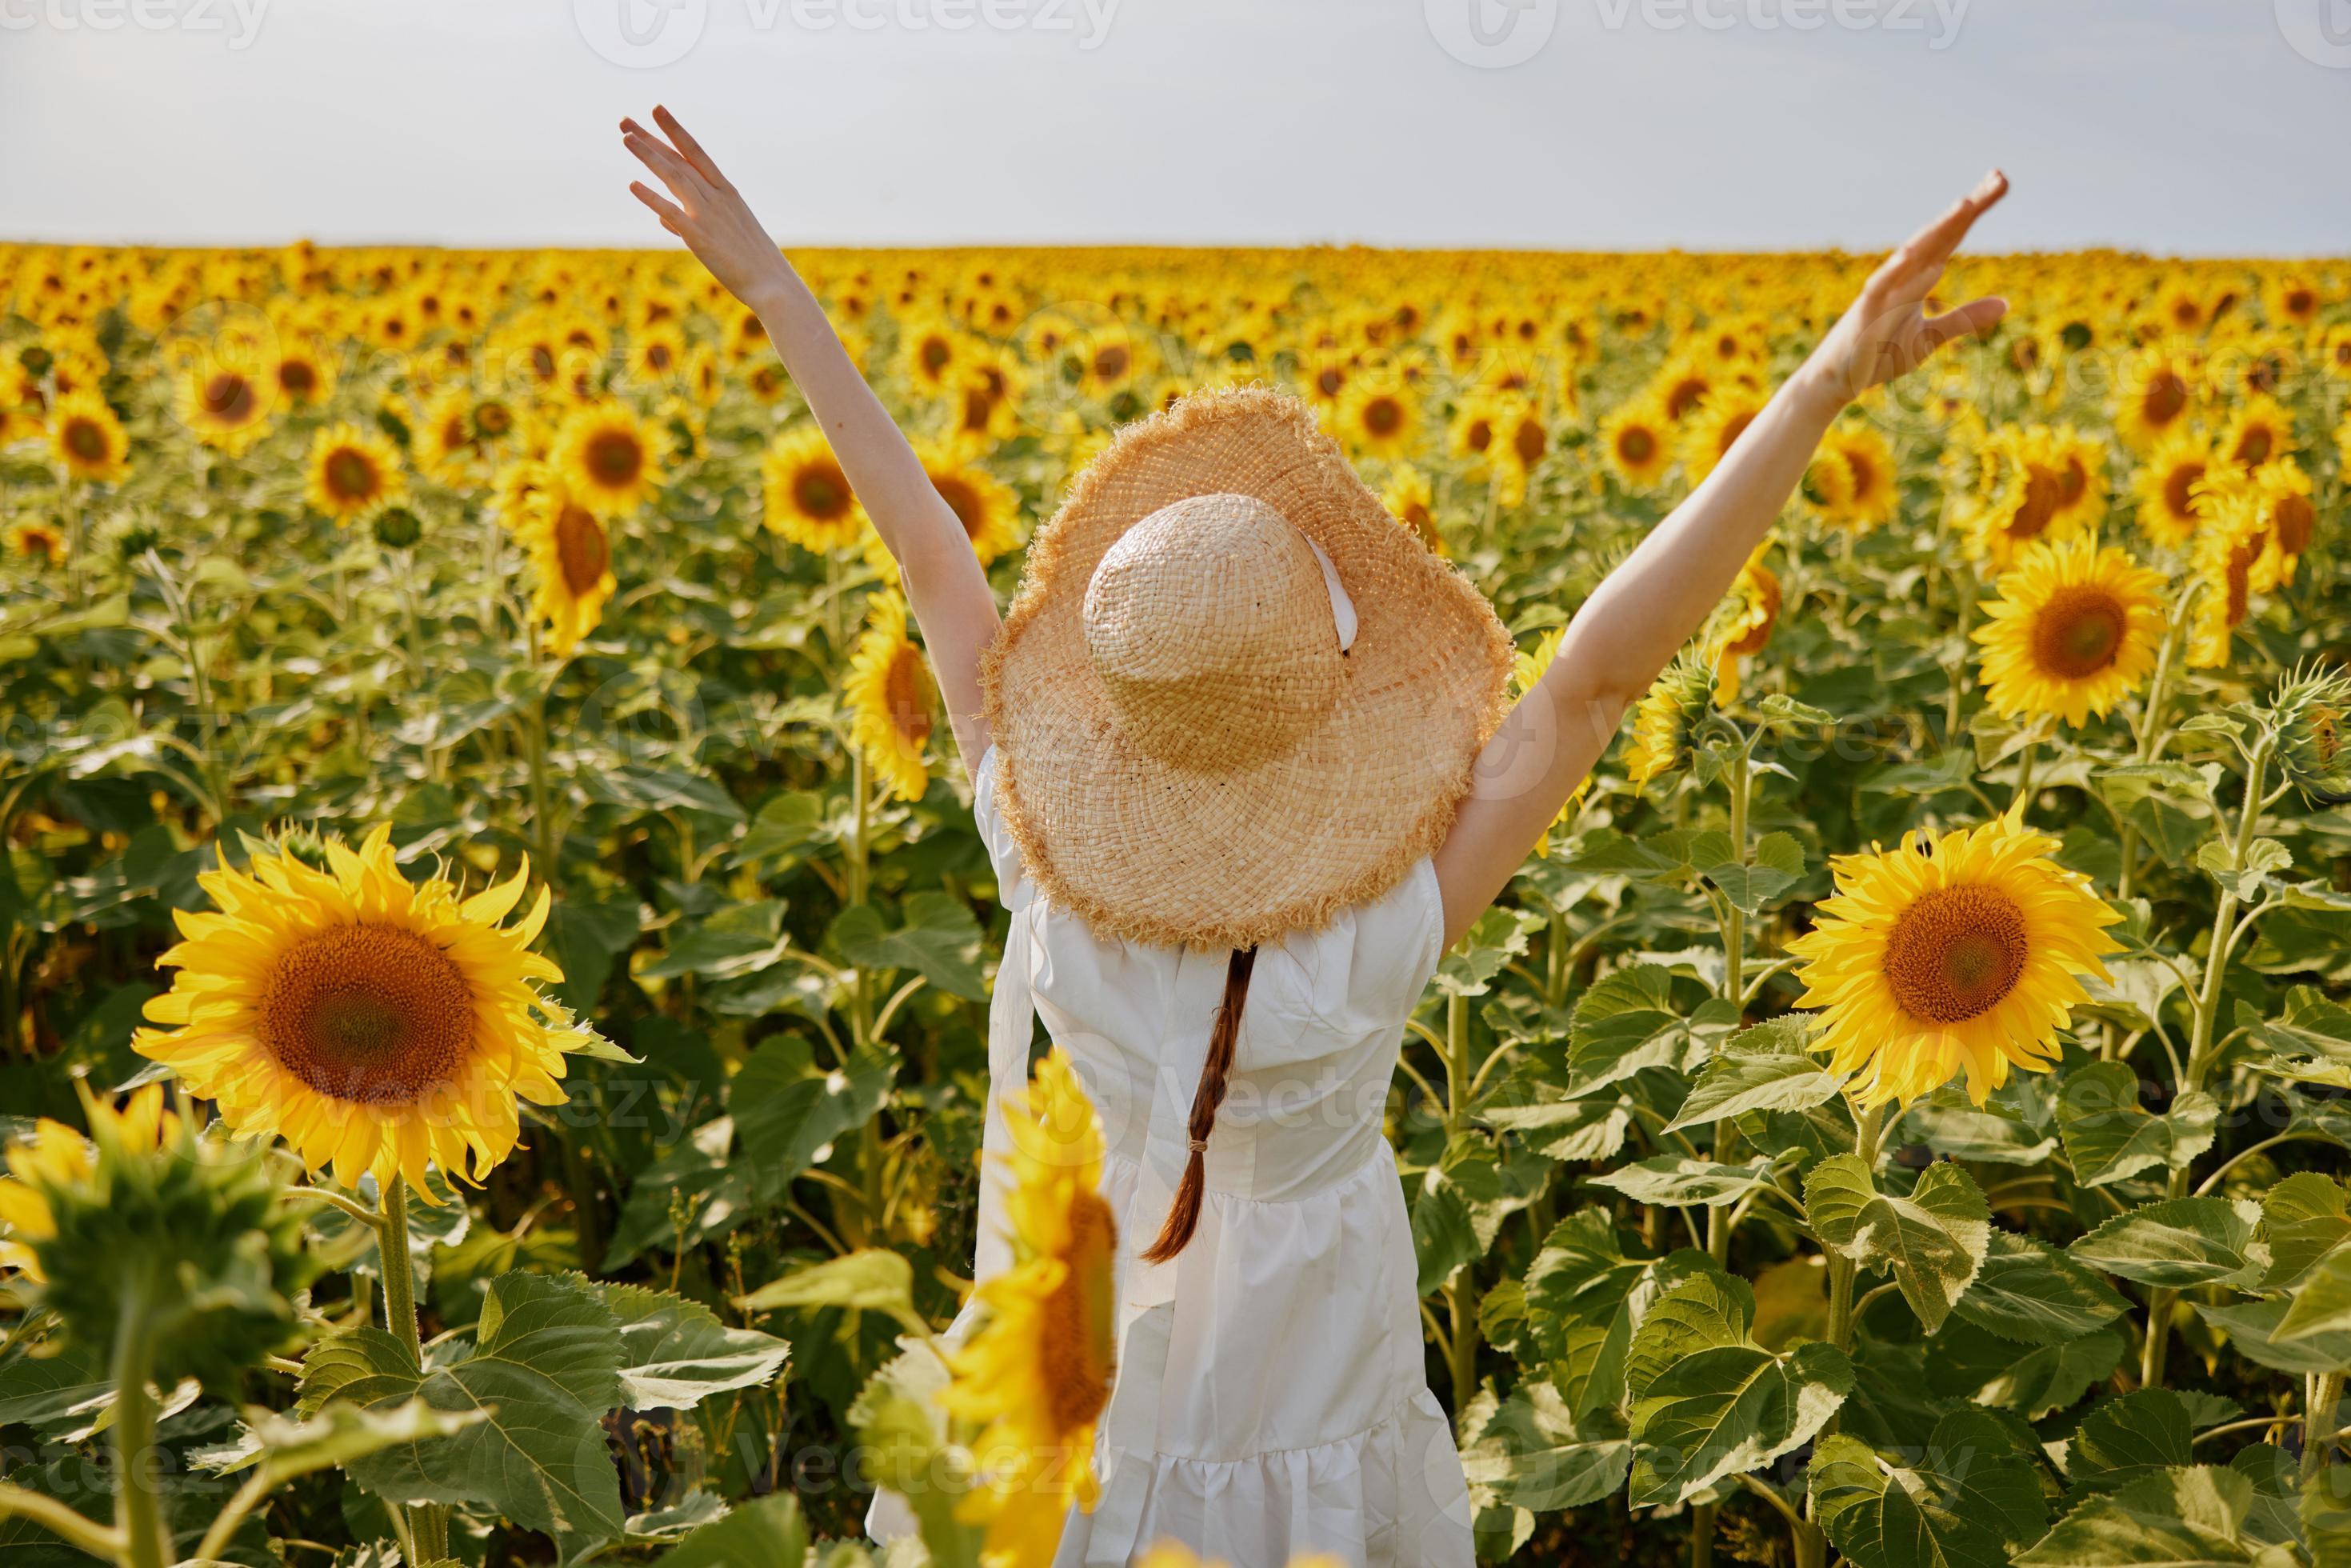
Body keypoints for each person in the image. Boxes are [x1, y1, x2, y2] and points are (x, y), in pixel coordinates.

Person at [620, 106, 2008, 1568]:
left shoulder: (1044, 858)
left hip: (1076, 1345)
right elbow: (1603, 675)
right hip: (1316, 1366)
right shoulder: (1382, 920)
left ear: (1116, 710)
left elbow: (929, 556)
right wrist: (1819, 387)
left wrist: (782, 296)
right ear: (1329, 701)